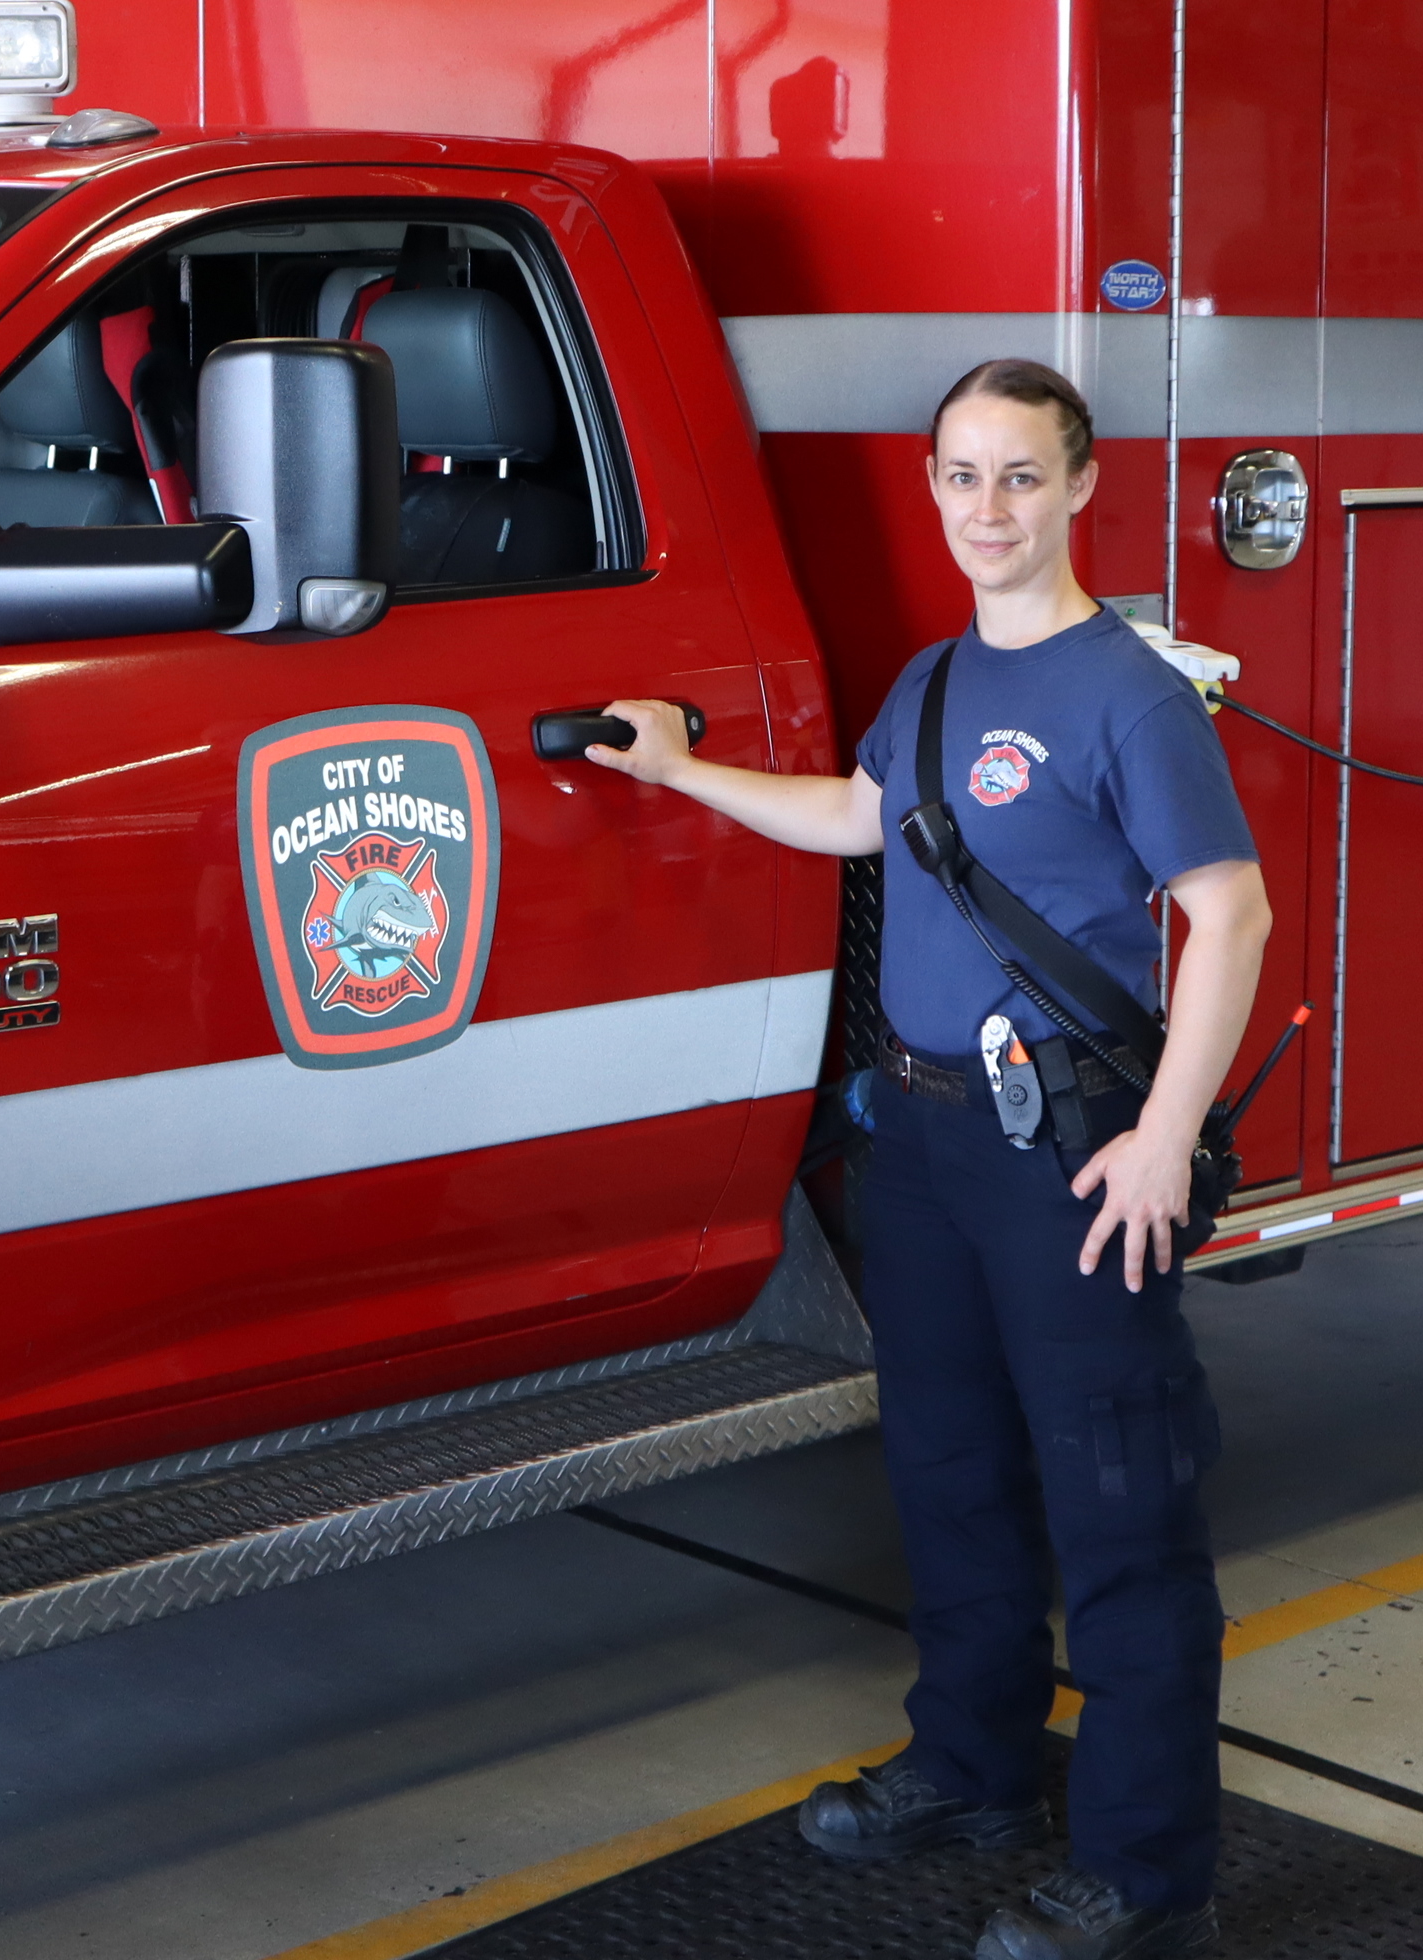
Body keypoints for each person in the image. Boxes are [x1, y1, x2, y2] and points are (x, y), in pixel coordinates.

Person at [586, 357, 1269, 1960]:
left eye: (1020, 476)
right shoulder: (938, 681)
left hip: (1073, 1162)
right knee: (949, 1478)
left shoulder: (1130, 697)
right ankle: (971, 1772)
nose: (988, 511)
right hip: (927, 1147)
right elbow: (856, 813)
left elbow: (1229, 914)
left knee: (1119, 1507)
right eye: (962, 477)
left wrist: (1166, 1139)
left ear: (1084, 486)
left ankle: (1151, 1878)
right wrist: (681, 769)